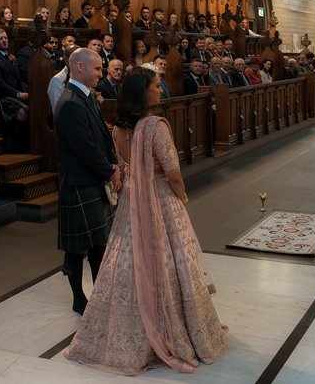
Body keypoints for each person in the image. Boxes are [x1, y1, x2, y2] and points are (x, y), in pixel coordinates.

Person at [63, 67, 229, 375]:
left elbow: (124, 167)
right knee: (169, 261)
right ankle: (176, 328)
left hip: (131, 201)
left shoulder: (117, 128)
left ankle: (118, 332)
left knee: (125, 260)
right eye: (156, 86)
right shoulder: (155, 126)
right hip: (159, 200)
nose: (161, 91)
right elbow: (173, 172)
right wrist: (182, 197)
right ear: (143, 91)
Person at [54, 47, 121, 315]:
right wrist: (110, 172)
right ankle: (79, 299)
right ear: (79, 67)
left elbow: (102, 135)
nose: (100, 74)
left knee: (97, 244)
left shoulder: (85, 96)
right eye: (96, 69)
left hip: (91, 177)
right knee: (76, 248)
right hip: (79, 182)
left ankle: (100, 293)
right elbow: (85, 148)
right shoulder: (70, 101)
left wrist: (113, 161)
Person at [0, 29, 29, 152]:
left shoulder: (11, 56)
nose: (4, 40)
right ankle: (14, 144)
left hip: (15, 93)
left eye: (5, 38)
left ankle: (27, 143)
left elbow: (20, 78)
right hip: (1, 96)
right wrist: (17, 94)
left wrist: (25, 91)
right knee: (22, 111)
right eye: (1, 38)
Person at [48, 44, 80, 112]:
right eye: (75, 57)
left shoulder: (83, 76)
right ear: (65, 59)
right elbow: (58, 110)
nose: (79, 61)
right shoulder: (57, 80)